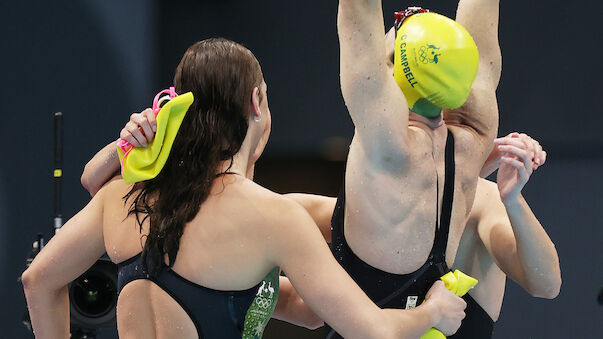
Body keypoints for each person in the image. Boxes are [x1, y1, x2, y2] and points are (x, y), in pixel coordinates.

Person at [22, 38, 467, 339]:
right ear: (257, 102)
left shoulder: (120, 196)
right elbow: (371, 330)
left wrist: (125, 149)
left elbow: (38, 280)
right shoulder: (274, 217)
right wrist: (432, 313)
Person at [319, 0, 502, 336]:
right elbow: (481, 36)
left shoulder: (388, 145)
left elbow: (357, 13)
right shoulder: (473, 141)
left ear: (394, 69)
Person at [286, 132, 561, 337]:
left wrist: (512, 201)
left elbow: (546, 285)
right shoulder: (371, 210)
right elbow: (271, 215)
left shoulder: (482, 203)